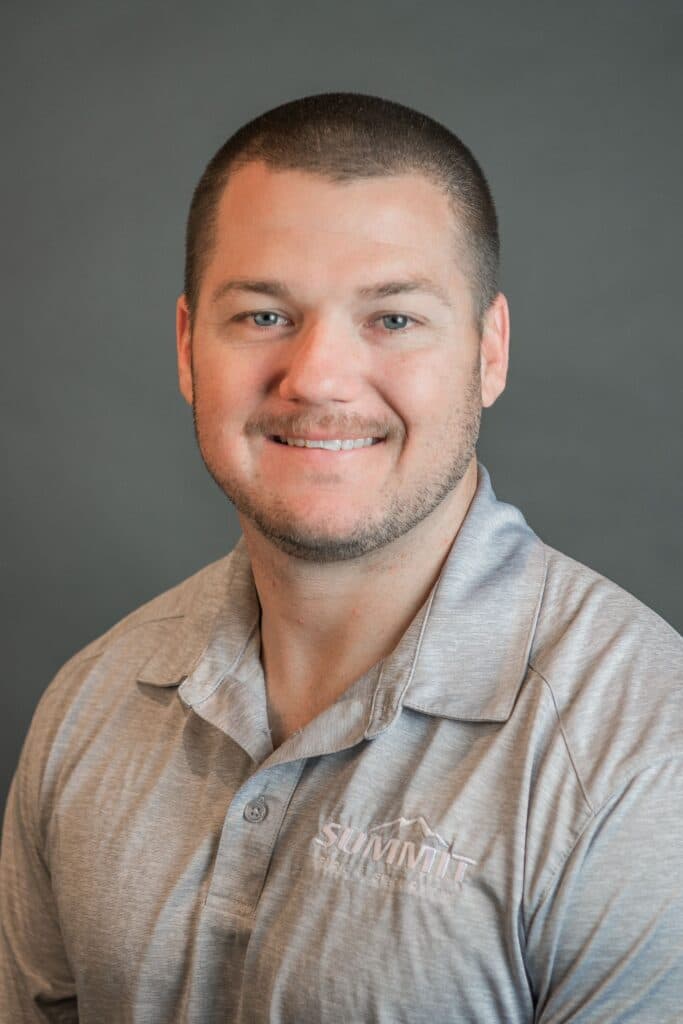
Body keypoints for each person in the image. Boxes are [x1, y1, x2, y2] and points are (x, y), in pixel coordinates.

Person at [1, 92, 681, 1023]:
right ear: (188, 348)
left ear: (488, 351)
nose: (318, 378)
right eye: (263, 316)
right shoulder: (90, 703)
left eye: (392, 319)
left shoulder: (639, 757)